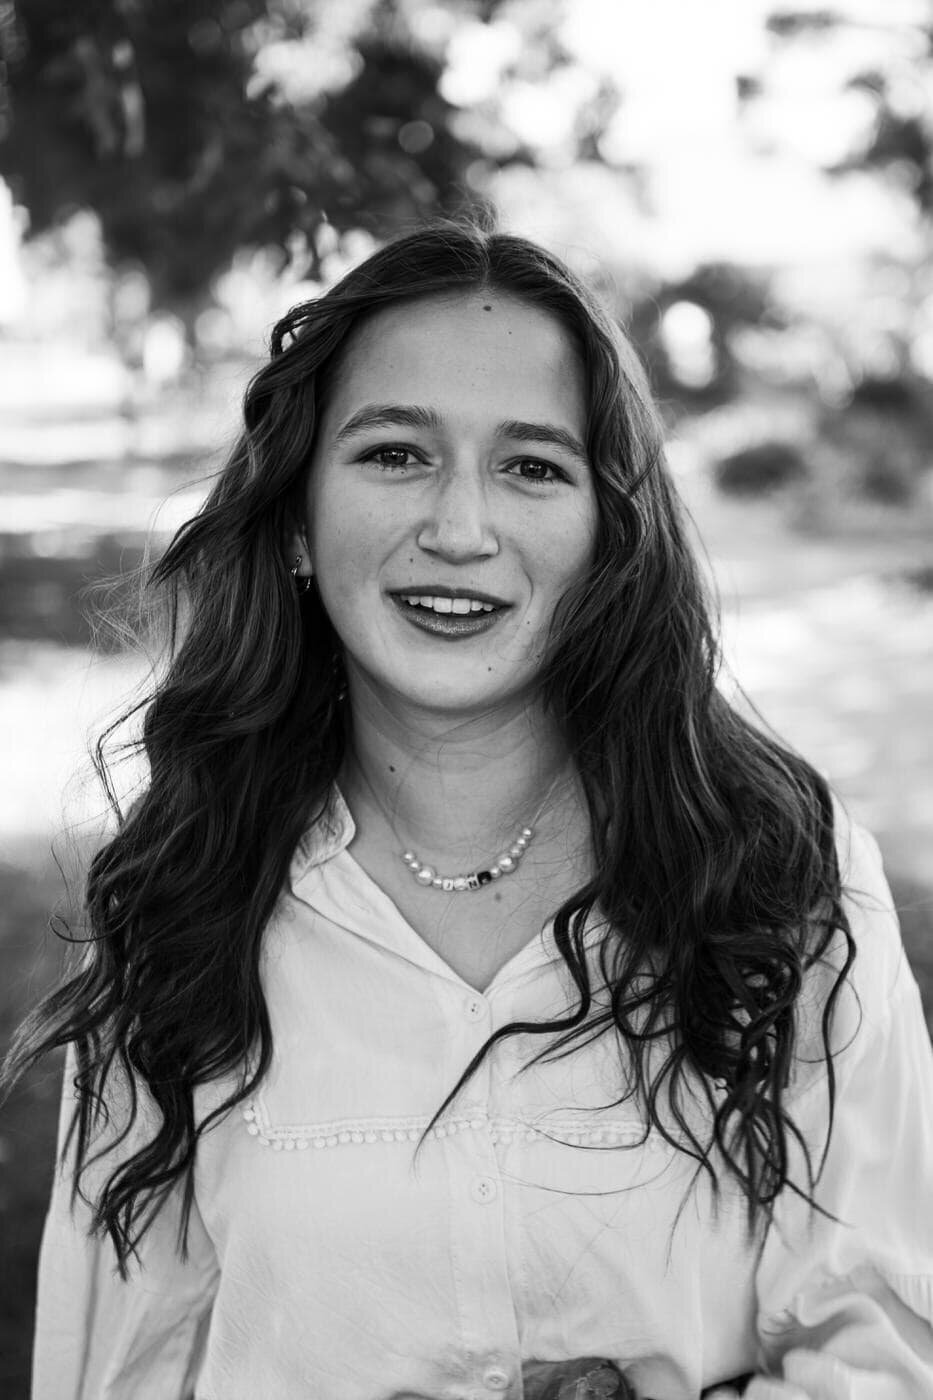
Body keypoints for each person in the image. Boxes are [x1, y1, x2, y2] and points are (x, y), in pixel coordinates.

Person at [6, 223, 933, 1400]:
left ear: (610, 532)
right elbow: (117, 1365)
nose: (458, 529)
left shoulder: (783, 871)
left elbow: (889, 1343)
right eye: (395, 453)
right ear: (296, 519)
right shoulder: (183, 900)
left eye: (532, 466)